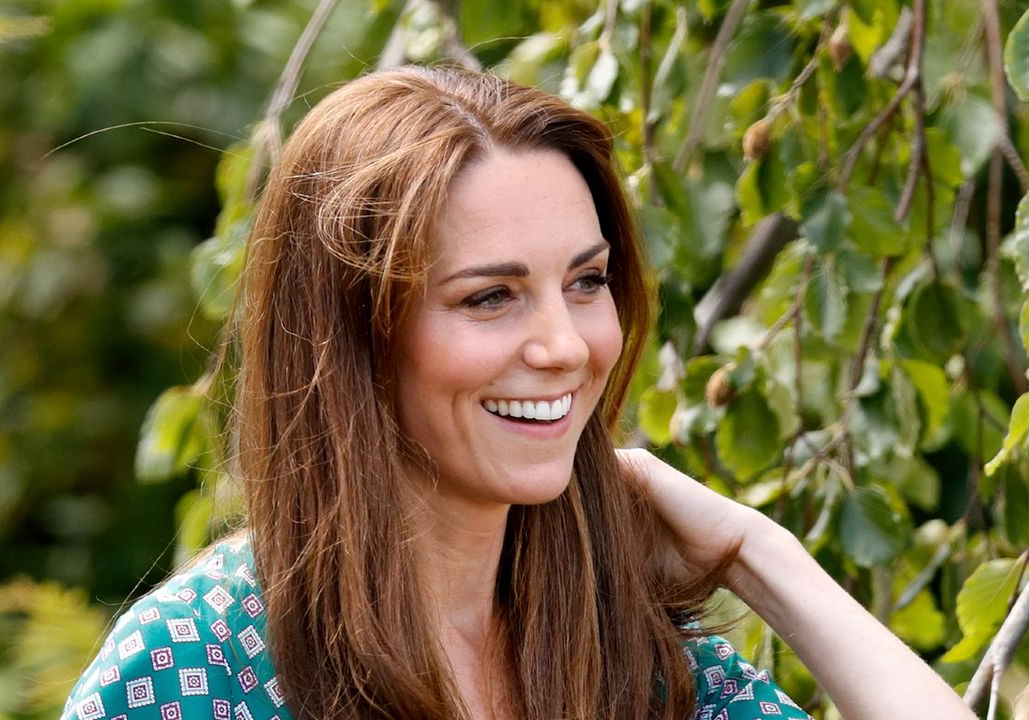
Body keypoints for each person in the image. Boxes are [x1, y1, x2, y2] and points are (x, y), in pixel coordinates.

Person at [60, 66, 974, 720]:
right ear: (353, 334)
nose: (566, 346)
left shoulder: (630, 654)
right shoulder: (191, 668)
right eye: (489, 297)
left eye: (586, 282)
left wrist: (759, 555)